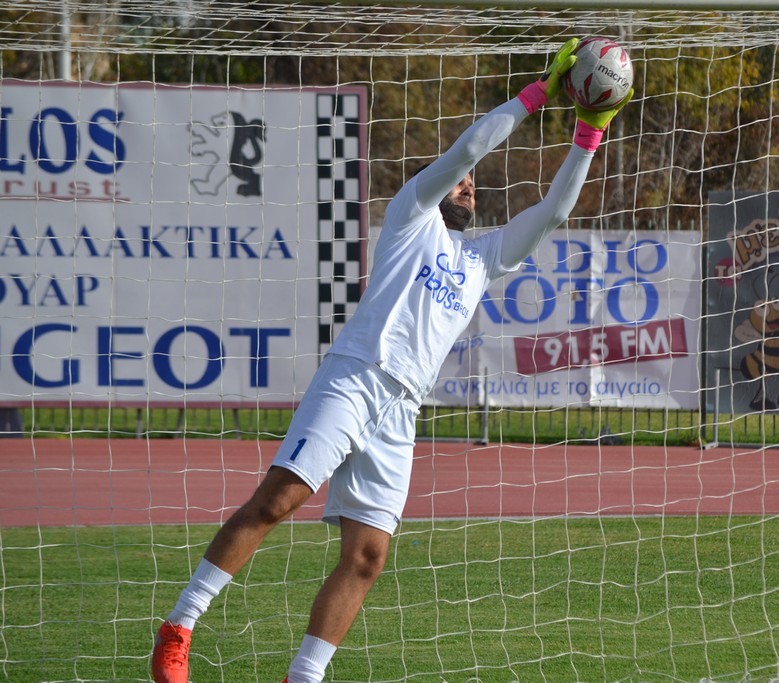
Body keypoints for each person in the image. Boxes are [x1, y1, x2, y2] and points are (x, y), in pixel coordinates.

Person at [151, 37, 631, 683]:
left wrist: (590, 131)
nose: (468, 184)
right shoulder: (412, 215)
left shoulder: (481, 260)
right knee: (280, 498)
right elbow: (467, 150)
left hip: (401, 408)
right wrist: (536, 95)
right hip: (355, 376)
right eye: (460, 179)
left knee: (368, 556)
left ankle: (304, 676)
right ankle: (179, 627)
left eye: (473, 186)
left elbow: (554, 212)